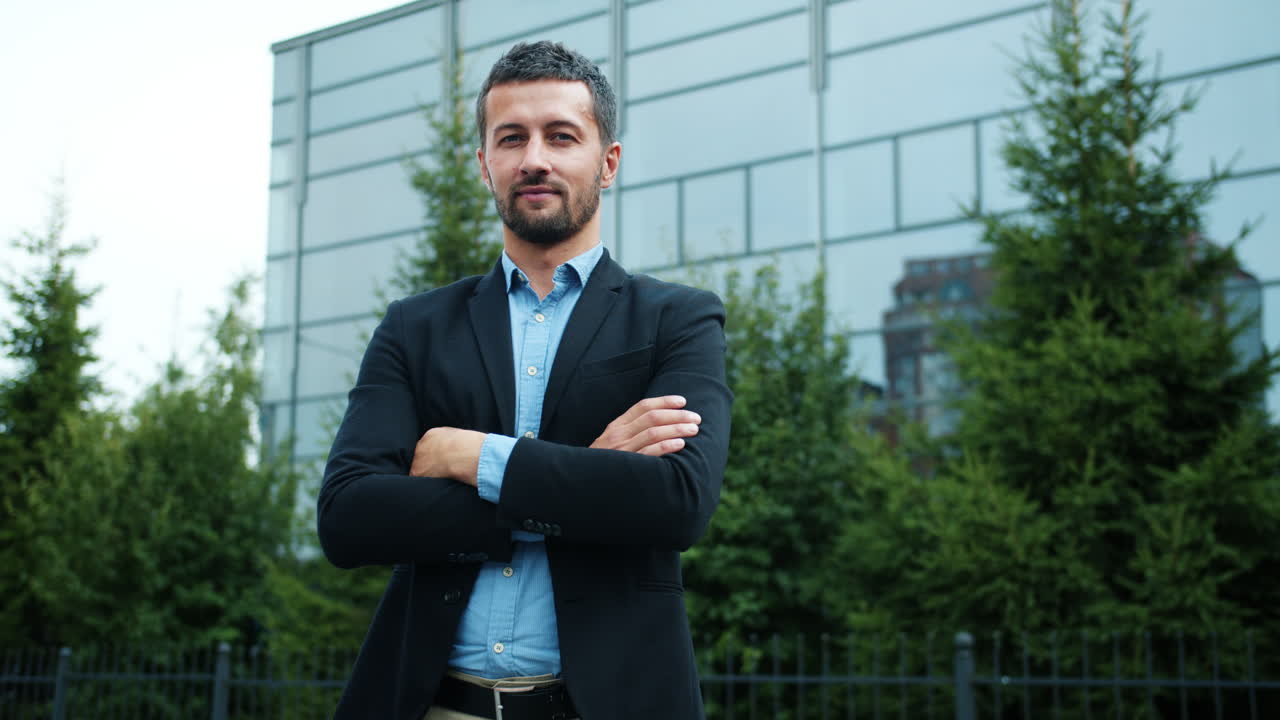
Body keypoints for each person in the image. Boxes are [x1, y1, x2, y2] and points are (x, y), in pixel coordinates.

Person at [318, 41, 732, 720]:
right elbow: (348, 518)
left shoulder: (677, 321)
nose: (534, 158)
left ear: (608, 162)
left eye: (561, 136)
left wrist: (469, 456)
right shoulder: (415, 328)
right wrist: (583, 480)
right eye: (511, 138)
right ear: (486, 165)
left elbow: (678, 502)